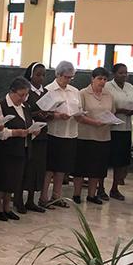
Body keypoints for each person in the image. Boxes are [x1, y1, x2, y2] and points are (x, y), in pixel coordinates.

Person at [40, 61, 82, 208]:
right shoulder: (48, 90)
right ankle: (44, 197)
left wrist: (79, 114)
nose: (69, 80)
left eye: (71, 77)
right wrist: (57, 115)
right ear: (58, 75)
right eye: (66, 77)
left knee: (62, 168)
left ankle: (57, 196)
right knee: (50, 168)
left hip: (70, 133)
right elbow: (43, 112)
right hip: (53, 133)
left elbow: (78, 108)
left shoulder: (74, 91)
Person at [73, 67, 115, 205]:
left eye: (105, 79)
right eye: (99, 79)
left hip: (103, 136)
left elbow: (112, 113)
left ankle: (92, 195)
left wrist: (111, 121)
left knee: (97, 168)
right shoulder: (83, 93)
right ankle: (77, 194)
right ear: (92, 79)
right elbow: (78, 116)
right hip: (85, 135)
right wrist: (94, 122)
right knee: (80, 167)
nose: (102, 82)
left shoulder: (109, 95)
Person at [0, 77, 33, 221]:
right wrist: (15, 133)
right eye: (21, 95)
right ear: (12, 92)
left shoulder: (25, 107)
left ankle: (7, 208)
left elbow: (29, 124)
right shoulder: (0, 105)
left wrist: (34, 131)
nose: (23, 98)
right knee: (3, 179)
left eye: (25, 95)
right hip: (6, 149)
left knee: (14, 179)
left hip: (22, 148)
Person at [20, 63, 52, 213]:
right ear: (31, 75)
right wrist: (36, 114)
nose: (41, 78)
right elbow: (22, 111)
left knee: (37, 168)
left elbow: (50, 112)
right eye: (38, 74)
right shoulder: (25, 92)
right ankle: (19, 199)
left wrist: (48, 114)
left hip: (42, 134)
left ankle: (31, 200)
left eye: (43, 75)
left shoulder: (46, 92)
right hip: (29, 134)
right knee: (26, 167)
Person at [103, 63, 133, 200]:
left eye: (126, 73)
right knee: (106, 159)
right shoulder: (107, 86)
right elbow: (104, 106)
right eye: (121, 73)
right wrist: (121, 110)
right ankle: (100, 188)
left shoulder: (130, 87)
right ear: (114, 74)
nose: (124, 75)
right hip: (111, 128)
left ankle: (115, 188)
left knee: (121, 161)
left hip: (126, 128)